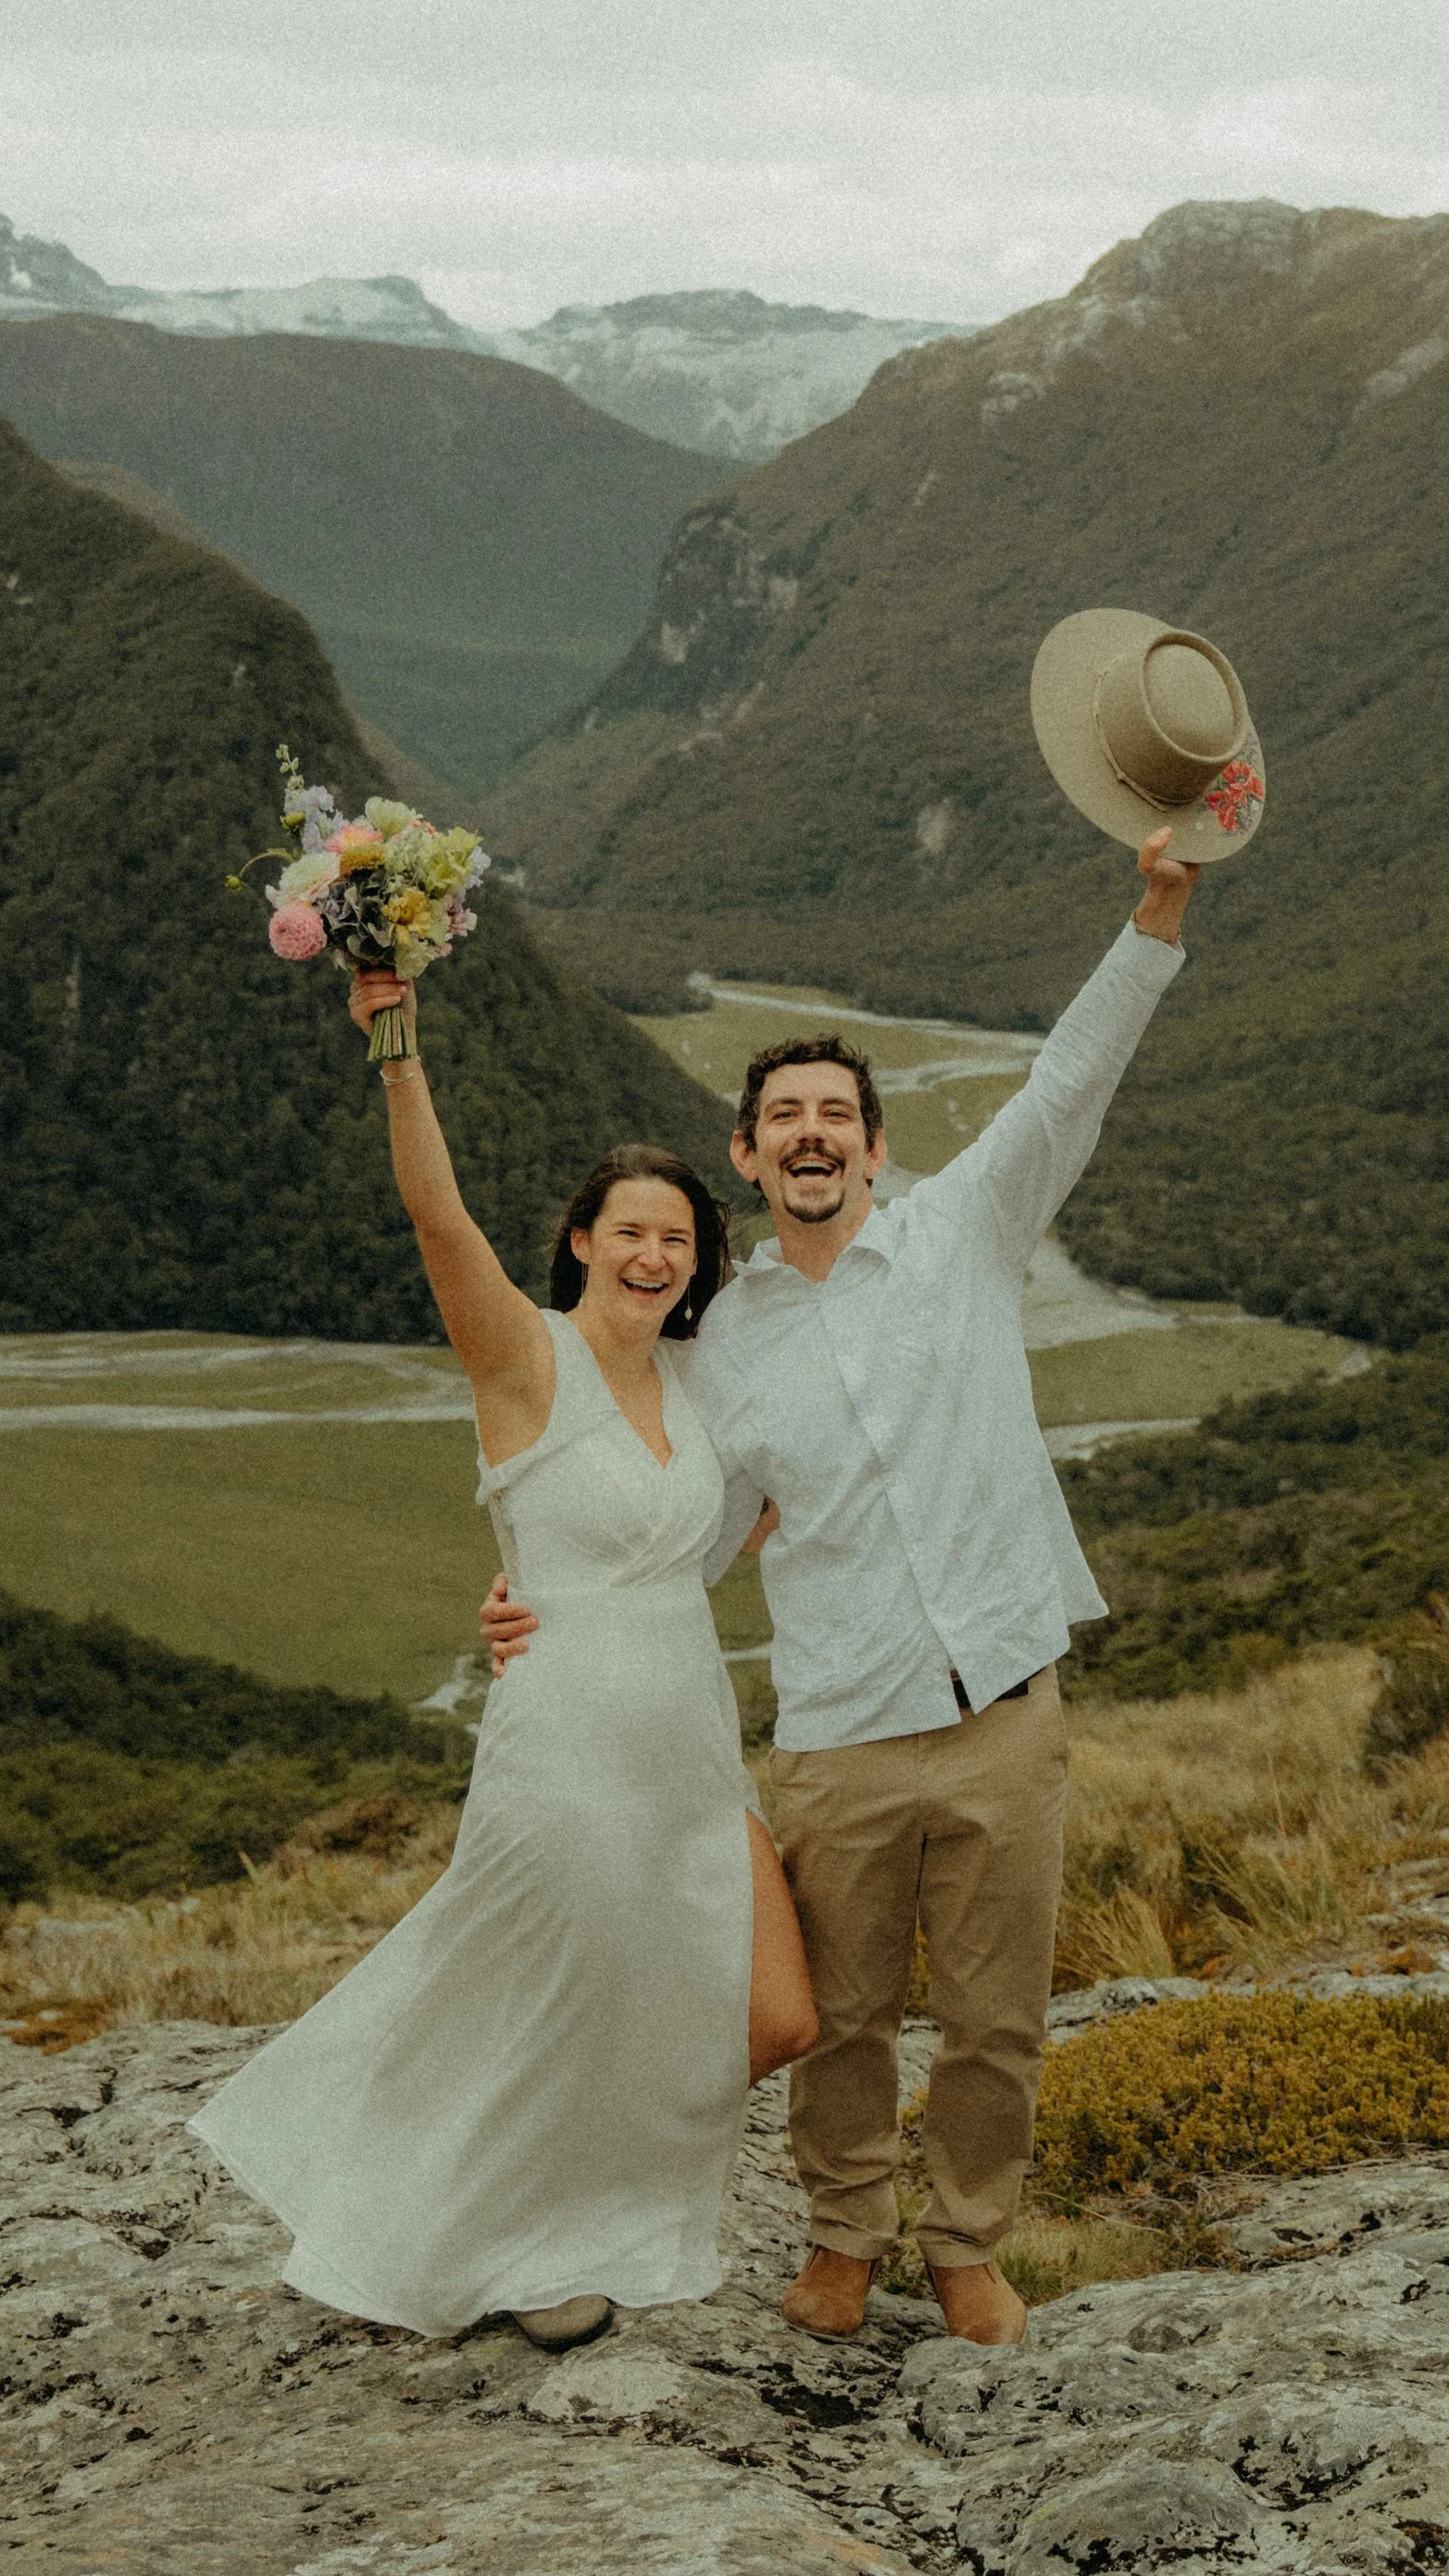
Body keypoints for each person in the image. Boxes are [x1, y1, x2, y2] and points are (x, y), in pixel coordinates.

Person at [484, 826, 1199, 2348]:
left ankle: (967, 2244)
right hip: (838, 1731)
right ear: (744, 1154)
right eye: (782, 1117)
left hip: (1004, 1699)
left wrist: (1158, 909)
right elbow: (676, 1516)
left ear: (875, 1146)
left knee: (1000, 2015)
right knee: (847, 2020)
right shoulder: (719, 1340)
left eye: (836, 1114)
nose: (811, 1134)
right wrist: (529, 1596)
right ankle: (841, 2236)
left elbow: (1068, 1081)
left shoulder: (969, 1232)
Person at [190, 988, 816, 2349]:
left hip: (690, 1748)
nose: (655, 1255)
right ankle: (535, 2248)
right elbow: (439, 1222)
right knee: (555, 2007)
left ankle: (589, 2208)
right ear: (583, 1241)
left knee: (773, 2013)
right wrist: (394, 1044)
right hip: (568, 1743)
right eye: (631, 1232)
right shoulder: (527, 1360)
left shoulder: (695, 1381)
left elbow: (706, 1538)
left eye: (679, 1237)